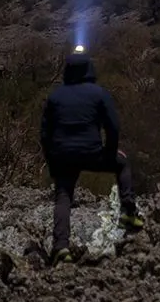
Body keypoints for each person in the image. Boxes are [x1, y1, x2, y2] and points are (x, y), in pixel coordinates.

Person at [40, 48, 143, 264]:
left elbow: (45, 133)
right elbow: (113, 126)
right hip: (92, 153)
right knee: (122, 164)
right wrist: (110, 151)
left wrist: (52, 162)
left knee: (63, 196)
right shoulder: (99, 93)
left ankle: (60, 247)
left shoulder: (55, 96)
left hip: (63, 156)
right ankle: (128, 212)